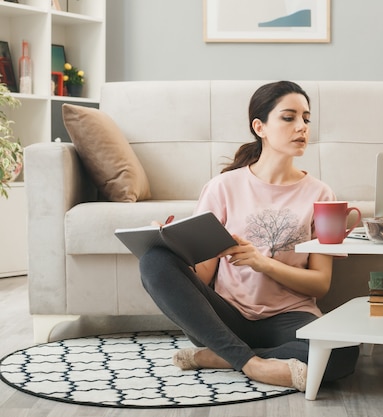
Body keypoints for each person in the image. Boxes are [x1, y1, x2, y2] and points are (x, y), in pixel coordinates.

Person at [139, 81, 360, 391]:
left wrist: (261, 262)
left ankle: (222, 358)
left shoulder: (322, 194)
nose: (302, 127)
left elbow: (320, 284)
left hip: (290, 317)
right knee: (154, 260)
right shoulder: (223, 187)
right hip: (225, 319)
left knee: (343, 352)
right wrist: (173, 246)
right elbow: (201, 277)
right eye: (289, 117)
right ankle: (252, 364)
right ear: (260, 127)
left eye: (306, 119)